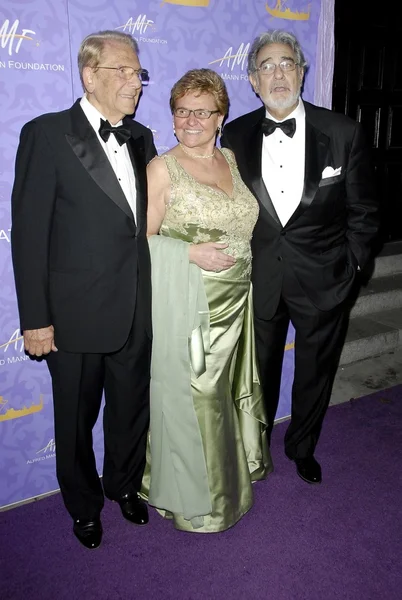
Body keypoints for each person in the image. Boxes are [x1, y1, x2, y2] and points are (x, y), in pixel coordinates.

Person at [11, 30, 157, 549]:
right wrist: (35, 319)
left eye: (138, 72)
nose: (135, 82)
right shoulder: (47, 133)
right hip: (72, 314)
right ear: (89, 75)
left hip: (136, 307)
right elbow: (28, 235)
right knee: (74, 418)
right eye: (122, 70)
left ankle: (123, 486)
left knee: (131, 406)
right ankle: (83, 504)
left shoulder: (142, 137)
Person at [221, 30, 379, 485]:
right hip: (260, 280)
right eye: (266, 66)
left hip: (326, 279)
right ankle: (257, 449)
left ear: (302, 72)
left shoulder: (343, 131)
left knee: (315, 373)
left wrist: (353, 266)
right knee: (259, 375)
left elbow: (365, 212)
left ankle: (302, 447)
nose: (277, 74)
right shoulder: (234, 135)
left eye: (286, 63)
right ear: (253, 80)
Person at [144, 68, 272, 533]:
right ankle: (200, 500)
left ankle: (232, 481)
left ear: (221, 116)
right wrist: (190, 253)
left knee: (222, 394)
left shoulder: (231, 159)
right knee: (199, 395)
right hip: (191, 302)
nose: (190, 119)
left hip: (238, 298)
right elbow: (140, 241)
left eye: (202, 110)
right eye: (182, 110)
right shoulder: (162, 167)